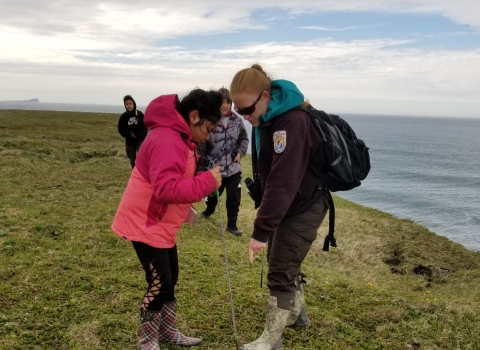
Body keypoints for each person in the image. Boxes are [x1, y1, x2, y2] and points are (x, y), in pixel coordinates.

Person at [111, 89, 223, 350]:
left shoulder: (178, 136)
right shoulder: (167, 139)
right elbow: (164, 188)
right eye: (207, 129)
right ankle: (147, 341)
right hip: (146, 222)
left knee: (171, 277)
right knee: (159, 283)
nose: (207, 136)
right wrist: (205, 182)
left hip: (160, 223)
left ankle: (168, 332)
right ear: (193, 116)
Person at [230, 64, 329, 350]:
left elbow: (283, 182)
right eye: (239, 112)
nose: (246, 116)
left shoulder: (292, 122)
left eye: (247, 109)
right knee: (282, 261)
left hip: (305, 204)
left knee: (280, 270)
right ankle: (297, 315)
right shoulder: (267, 119)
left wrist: (260, 230)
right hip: (289, 203)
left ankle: (271, 342)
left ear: (264, 96)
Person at [200, 87, 249, 236]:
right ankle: (208, 211)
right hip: (215, 168)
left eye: (228, 102)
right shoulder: (210, 120)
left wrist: (240, 152)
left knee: (234, 197)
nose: (225, 105)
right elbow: (202, 142)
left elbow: (244, 139)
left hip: (234, 168)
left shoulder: (237, 121)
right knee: (214, 194)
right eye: (222, 102)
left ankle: (232, 225)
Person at [118, 95, 148, 168]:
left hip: (140, 141)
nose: (129, 106)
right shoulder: (123, 116)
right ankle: (134, 173)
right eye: (127, 104)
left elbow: (145, 127)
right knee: (132, 160)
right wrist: (128, 134)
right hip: (129, 142)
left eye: (130, 104)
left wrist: (140, 135)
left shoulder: (140, 114)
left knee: (143, 157)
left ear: (133, 104)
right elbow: (120, 129)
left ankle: (143, 172)